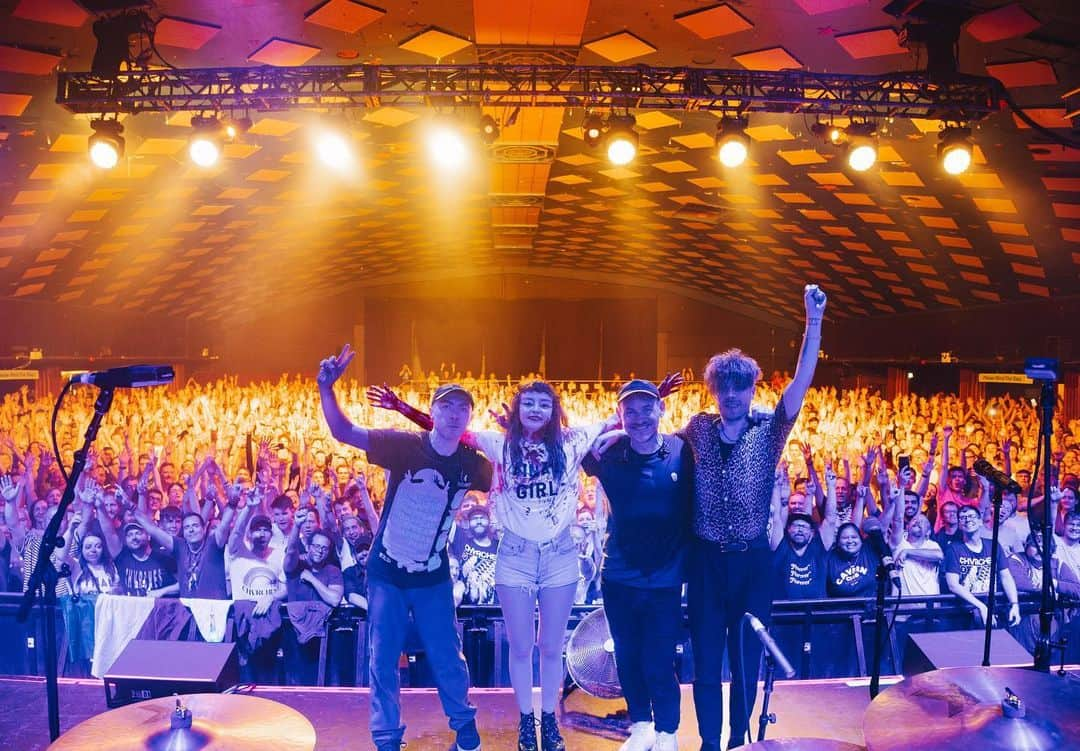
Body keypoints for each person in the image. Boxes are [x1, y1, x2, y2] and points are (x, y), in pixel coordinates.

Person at [370, 379, 620, 751]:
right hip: (516, 556)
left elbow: (617, 419)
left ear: (554, 412)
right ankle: (525, 723)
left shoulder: (572, 441)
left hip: (559, 555)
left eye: (544, 404)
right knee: (521, 648)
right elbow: (449, 431)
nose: (536, 410)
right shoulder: (499, 444)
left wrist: (655, 396)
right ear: (518, 410)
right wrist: (404, 408)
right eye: (529, 403)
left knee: (551, 647)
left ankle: (548, 722)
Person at [318, 344, 492, 751]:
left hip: (432, 575)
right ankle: (386, 739)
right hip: (386, 571)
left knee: (448, 655)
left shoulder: (474, 464)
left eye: (462, 409)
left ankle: (465, 731)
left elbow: (514, 468)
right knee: (382, 658)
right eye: (446, 406)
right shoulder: (404, 445)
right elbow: (343, 432)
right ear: (433, 410)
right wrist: (327, 388)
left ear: (469, 417)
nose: (454, 414)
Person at [681, 285, 824, 749]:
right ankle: (707, 741)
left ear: (752, 388)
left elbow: (800, 382)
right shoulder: (699, 428)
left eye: (740, 387)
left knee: (744, 658)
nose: (732, 396)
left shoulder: (769, 429)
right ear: (714, 390)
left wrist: (813, 323)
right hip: (705, 562)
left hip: (752, 562)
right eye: (724, 388)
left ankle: (739, 739)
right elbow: (656, 450)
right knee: (705, 660)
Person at [582, 379, 693, 751]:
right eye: (629, 411)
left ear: (661, 410)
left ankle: (667, 729)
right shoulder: (610, 455)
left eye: (648, 408)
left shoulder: (682, 450)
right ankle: (641, 724)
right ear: (619, 416)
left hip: (664, 577)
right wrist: (613, 430)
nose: (639, 417)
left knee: (659, 658)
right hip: (619, 575)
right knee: (626, 653)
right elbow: (575, 445)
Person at [944, 505, 1021, 628]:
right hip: (965, 612)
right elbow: (953, 585)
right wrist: (981, 606)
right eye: (963, 518)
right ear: (959, 524)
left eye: (971, 516)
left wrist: (1014, 604)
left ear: (980, 521)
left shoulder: (993, 545)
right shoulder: (953, 548)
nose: (968, 520)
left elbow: (1006, 577)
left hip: (992, 607)